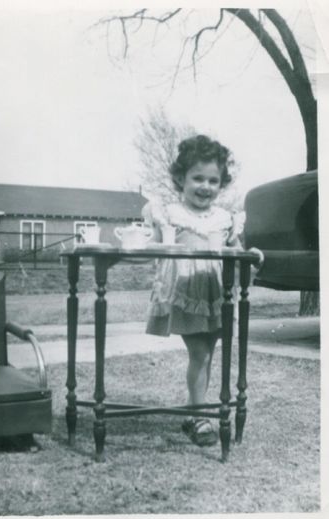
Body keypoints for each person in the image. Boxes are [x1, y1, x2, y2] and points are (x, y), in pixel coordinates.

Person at [141, 134, 262, 447]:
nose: (205, 187)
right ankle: (200, 419)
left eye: (213, 180)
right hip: (184, 290)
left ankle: (195, 413)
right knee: (200, 353)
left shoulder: (225, 218)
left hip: (214, 293)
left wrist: (251, 254)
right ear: (181, 178)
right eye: (198, 178)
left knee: (206, 355)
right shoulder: (169, 213)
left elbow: (236, 249)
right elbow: (153, 245)